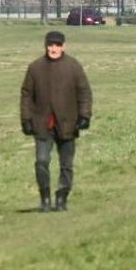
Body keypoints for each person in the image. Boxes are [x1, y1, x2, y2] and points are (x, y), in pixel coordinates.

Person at [20, 29, 93, 212]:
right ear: (45, 46)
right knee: (41, 162)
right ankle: (45, 198)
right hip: (42, 124)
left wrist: (84, 116)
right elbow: (26, 95)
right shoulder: (35, 67)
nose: (54, 48)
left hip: (68, 123)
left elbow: (84, 93)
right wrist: (26, 119)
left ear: (64, 46)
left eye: (57, 45)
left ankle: (62, 198)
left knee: (66, 165)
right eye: (50, 45)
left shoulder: (73, 66)